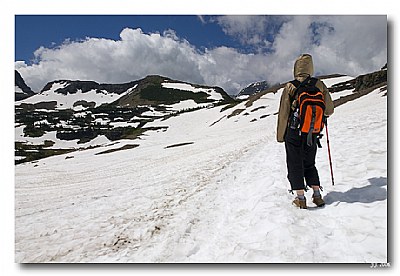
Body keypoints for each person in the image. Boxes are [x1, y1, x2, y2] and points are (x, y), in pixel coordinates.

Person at [276, 54, 334, 209]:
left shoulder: (291, 86)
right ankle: (317, 195)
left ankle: (301, 198)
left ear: (296, 68)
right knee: (309, 163)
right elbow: (329, 109)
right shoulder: (319, 85)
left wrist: (281, 136)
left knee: (294, 163)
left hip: (294, 132)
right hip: (312, 131)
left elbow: (284, 113)